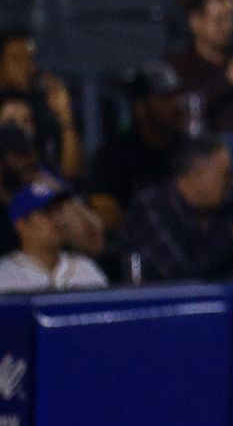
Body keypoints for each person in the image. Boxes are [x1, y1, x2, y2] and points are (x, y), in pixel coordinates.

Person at [122, 136, 233, 283]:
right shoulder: (151, 207)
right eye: (225, 174)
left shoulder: (220, 211)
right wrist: (232, 239)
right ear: (197, 174)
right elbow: (181, 273)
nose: (231, 183)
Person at [87, 63, 188, 221]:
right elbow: (105, 216)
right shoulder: (113, 156)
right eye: (165, 98)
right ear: (141, 108)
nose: (176, 105)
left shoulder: (189, 151)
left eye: (177, 96)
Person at [168, 0, 233, 135]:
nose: (229, 27)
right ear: (195, 21)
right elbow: (182, 108)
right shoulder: (180, 64)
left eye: (231, 19)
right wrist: (227, 81)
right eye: (219, 20)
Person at [0, 29, 83, 181]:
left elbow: (71, 173)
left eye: (30, 58)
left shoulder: (42, 106)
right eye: (16, 59)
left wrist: (66, 117)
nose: (26, 66)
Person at [0, 180, 108, 294]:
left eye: (59, 210)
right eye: (47, 213)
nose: (58, 219)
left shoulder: (86, 269)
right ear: (21, 225)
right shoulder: (5, 276)